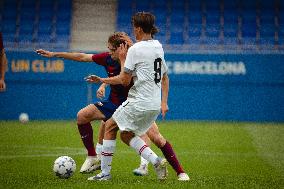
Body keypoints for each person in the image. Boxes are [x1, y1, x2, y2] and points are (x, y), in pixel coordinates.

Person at [86, 12, 184, 181]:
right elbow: (165, 76)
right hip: (153, 105)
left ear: (138, 29)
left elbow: (124, 81)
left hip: (138, 102)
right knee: (126, 135)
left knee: (109, 126)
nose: (133, 31)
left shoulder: (135, 49)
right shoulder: (158, 46)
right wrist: (164, 102)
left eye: (134, 28)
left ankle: (105, 174)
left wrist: (103, 79)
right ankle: (157, 161)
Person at [36, 32, 132, 173]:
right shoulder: (107, 58)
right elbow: (82, 56)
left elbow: (124, 80)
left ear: (120, 49)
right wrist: (55, 54)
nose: (109, 52)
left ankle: (150, 163)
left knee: (142, 136)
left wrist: (102, 82)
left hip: (130, 106)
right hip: (113, 103)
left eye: (112, 49)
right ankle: (92, 156)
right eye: (108, 49)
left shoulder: (132, 59)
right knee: (82, 116)